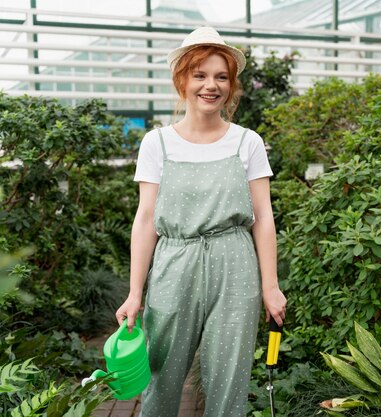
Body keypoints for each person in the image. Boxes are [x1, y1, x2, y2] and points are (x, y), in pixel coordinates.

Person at [115, 26, 287, 417]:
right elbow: (145, 221)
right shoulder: (156, 143)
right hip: (175, 265)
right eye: (201, 75)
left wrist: (271, 286)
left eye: (221, 77)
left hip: (235, 264)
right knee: (162, 379)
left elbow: (263, 218)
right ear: (182, 80)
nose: (211, 86)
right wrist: (134, 292)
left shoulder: (247, 142)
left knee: (230, 382)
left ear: (232, 85)